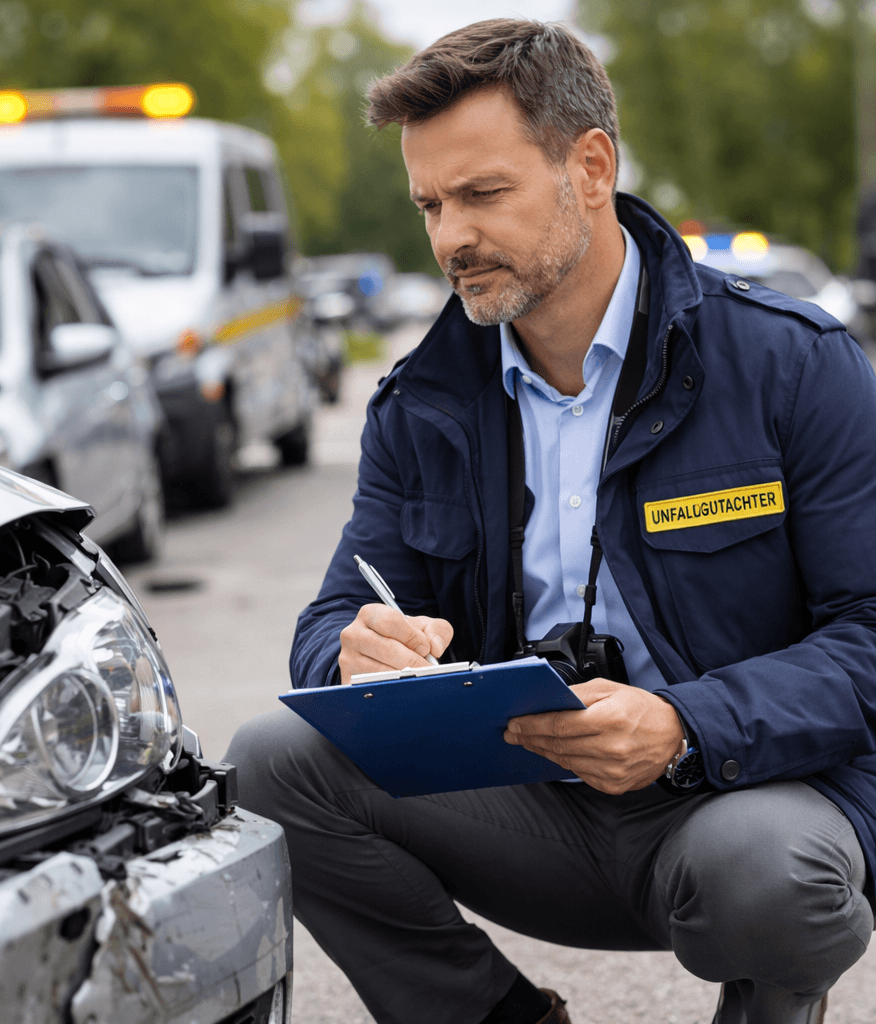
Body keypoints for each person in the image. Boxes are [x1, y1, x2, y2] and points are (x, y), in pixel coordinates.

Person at [226, 19, 875, 1024]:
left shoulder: (792, 365)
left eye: (482, 195)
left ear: (589, 166)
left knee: (769, 874)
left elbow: (869, 633)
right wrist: (354, 651)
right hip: (528, 803)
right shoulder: (420, 403)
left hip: (739, 798)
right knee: (269, 763)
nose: (449, 239)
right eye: (429, 206)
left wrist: (683, 725)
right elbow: (333, 617)